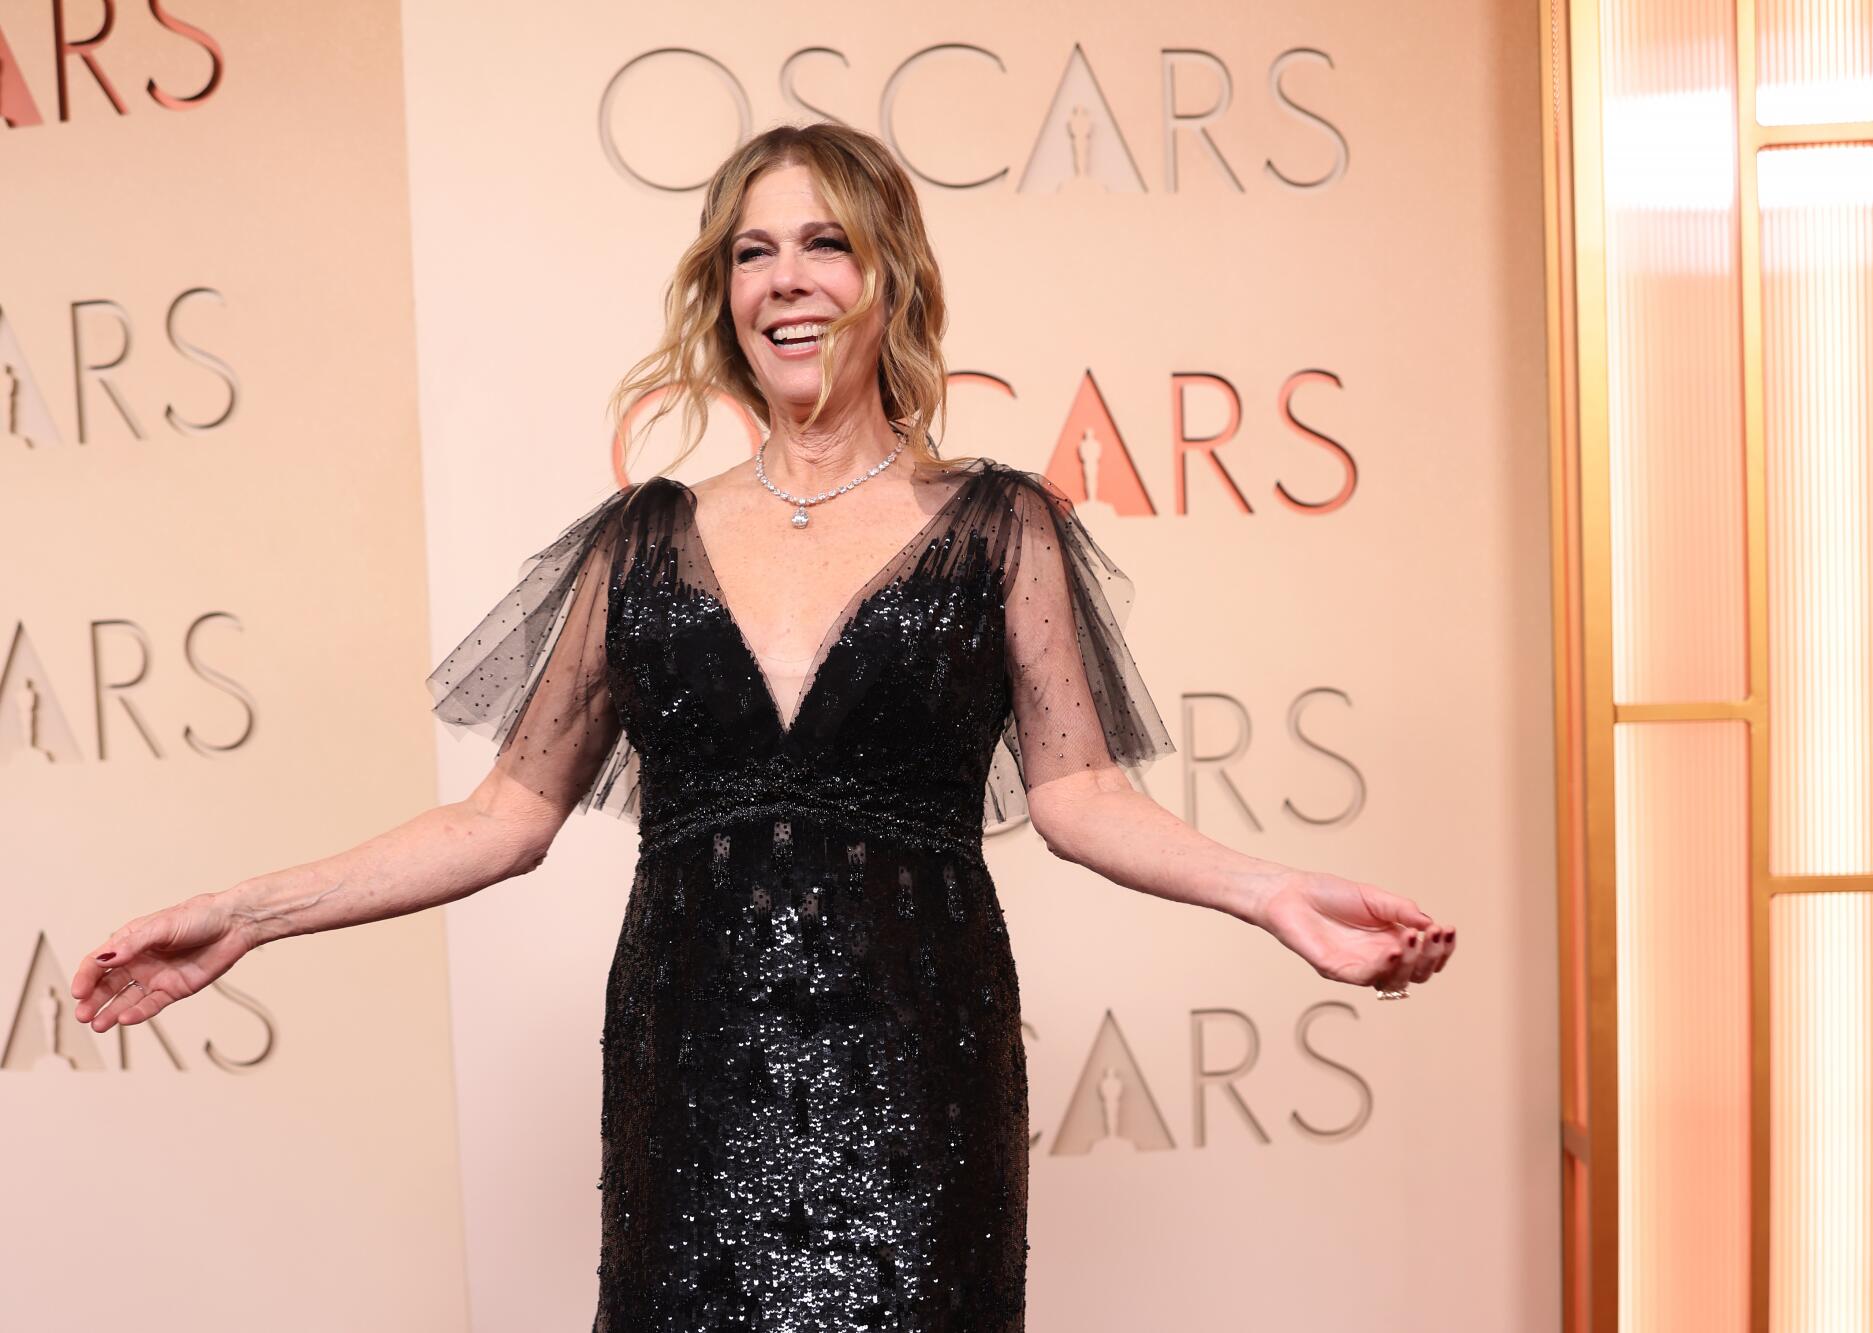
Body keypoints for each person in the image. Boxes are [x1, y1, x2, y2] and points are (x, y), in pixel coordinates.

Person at [70, 122, 1455, 1330]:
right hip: (693, 1082)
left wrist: (1277, 893)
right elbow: (503, 814)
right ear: (721, 291)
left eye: (825, 245)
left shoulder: (998, 527)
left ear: (890, 277)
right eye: (751, 253)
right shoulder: (643, 543)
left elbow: (1083, 793)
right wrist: (250, 911)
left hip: (921, 1076)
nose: (785, 279)